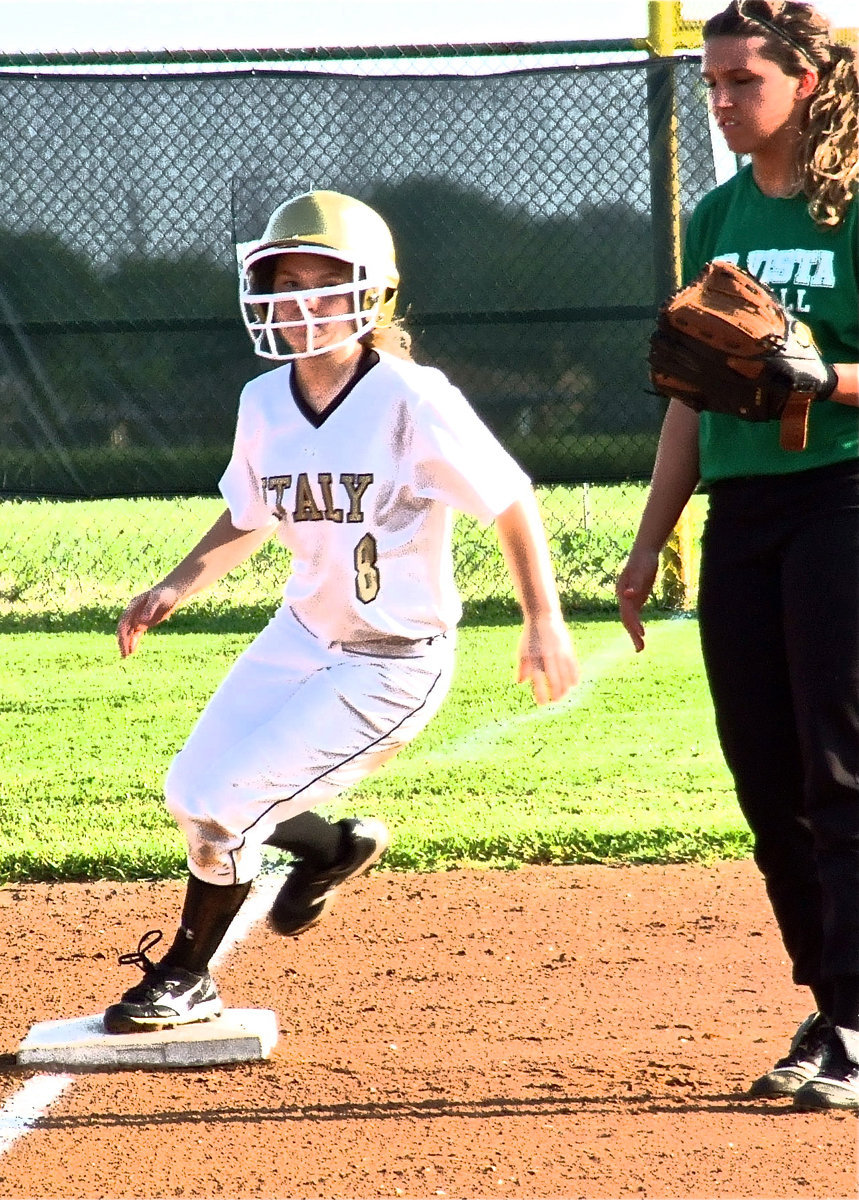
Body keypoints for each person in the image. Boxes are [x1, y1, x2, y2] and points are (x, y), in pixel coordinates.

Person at [104, 189, 580, 1035]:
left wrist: (542, 619)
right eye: (282, 284)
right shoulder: (262, 402)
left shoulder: (411, 397)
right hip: (301, 635)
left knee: (225, 801)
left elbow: (510, 499)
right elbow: (249, 514)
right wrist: (177, 582)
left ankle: (188, 973)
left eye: (322, 285)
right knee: (190, 791)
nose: (298, 304)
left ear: (373, 295)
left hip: (392, 659)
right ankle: (331, 849)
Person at [617, 0, 858, 1111]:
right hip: (744, 518)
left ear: (803, 84)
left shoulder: (850, 205)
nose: (716, 102)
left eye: (738, 82)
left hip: (844, 499)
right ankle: (833, 999)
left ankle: (855, 1021)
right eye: (707, 82)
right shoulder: (714, 215)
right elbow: (691, 396)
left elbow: (811, 377)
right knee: (766, 778)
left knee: (837, 766)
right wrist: (647, 542)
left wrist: (825, 378)